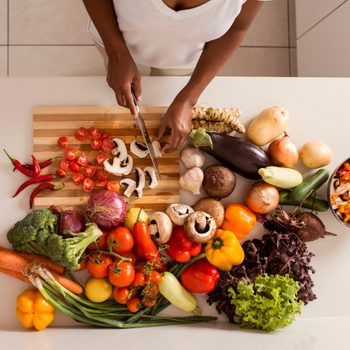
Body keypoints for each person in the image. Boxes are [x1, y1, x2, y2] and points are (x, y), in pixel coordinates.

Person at [82, 0, 269, 153]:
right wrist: (116, 53)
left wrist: (187, 99)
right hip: (117, 42)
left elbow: (238, 28)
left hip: (183, 60)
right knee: (116, 85)